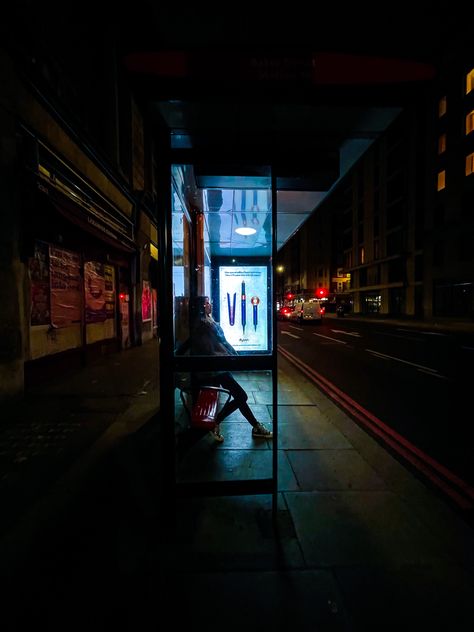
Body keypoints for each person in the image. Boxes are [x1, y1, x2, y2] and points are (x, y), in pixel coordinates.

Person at [176, 296, 273, 442]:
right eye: (207, 303)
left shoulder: (205, 323)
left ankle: (254, 426)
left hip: (216, 369)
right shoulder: (204, 326)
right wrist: (230, 357)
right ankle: (216, 423)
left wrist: (232, 355)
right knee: (241, 396)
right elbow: (211, 349)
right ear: (201, 308)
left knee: (239, 396)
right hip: (215, 371)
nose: (210, 305)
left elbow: (191, 346)